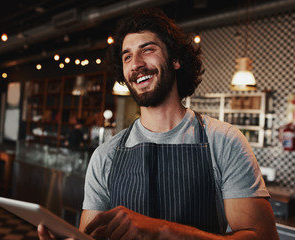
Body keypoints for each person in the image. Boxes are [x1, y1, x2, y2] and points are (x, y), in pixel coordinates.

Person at [38, 8, 278, 240]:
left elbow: (264, 237)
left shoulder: (224, 141)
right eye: (127, 56)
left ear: (175, 60)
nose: (136, 63)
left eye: (148, 49)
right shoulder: (105, 155)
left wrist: (164, 231)